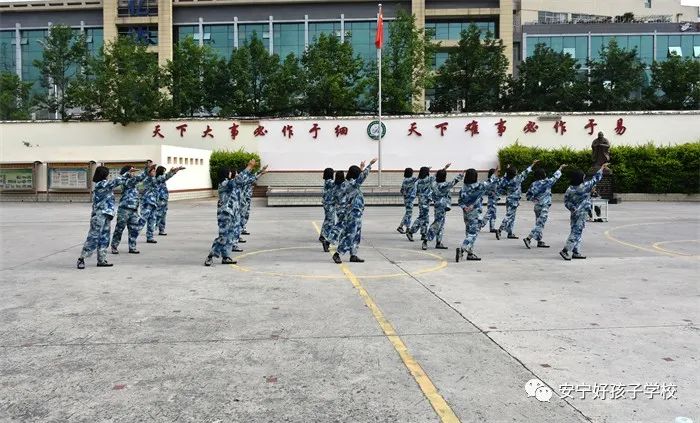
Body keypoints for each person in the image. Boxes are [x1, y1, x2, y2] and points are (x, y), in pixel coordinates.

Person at [77, 165, 136, 269]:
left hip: (107, 215)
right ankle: (81, 259)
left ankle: (102, 260)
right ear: (104, 174)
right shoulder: (101, 184)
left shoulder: (105, 184)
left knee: (104, 238)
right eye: (108, 173)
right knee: (93, 237)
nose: (109, 175)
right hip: (99, 215)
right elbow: (116, 182)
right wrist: (127, 173)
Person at [205, 160, 257, 266]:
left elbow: (246, 181)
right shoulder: (224, 184)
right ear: (225, 173)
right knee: (223, 236)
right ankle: (210, 256)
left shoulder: (230, 183)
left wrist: (258, 172)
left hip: (233, 213)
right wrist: (248, 167)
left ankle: (226, 256)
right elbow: (237, 180)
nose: (231, 173)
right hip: (225, 214)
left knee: (230, 236)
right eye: (229, 171)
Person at [560, 163, 609, 261]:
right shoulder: (585, 186)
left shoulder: (569, 189)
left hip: (574, 213)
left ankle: (576, 252)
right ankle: (565, 250)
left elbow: (566, 202)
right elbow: (596, 178)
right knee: (576, 232)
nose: (584, 177)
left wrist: (573, 208)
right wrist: (602, 168)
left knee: (576, 231)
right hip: (582, 213)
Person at [332, 158, 377, 264]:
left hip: (357, 212)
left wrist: (361, 167)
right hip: (353, 213)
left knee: (356, 234)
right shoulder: (352, 184)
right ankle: (337, 253)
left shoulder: (348, 182)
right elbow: (362, 177)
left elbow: (359, 177)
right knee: (351, 234)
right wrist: (370, 165)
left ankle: (353, 254)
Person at [456, 168, 499, 262]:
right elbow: (490, 181)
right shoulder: (479, 186)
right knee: (473, 234)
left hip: (466, 214)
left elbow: (459, 201)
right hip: (475, 213)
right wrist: (495, 172)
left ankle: (470, 253)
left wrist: (464, 207)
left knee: (468, 232)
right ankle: (462, 248)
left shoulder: (463, 188)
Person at [110, 162, 150, 254]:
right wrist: (146, 171)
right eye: (132, 171)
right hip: (124, 209)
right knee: (119, 229)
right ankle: (114, 246)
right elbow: (138, 178)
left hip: (134, 210)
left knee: (133, 229)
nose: (133, 173)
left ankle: (132, 247)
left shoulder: (134, 183)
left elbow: (138, 179)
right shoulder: (125, 181)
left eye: (133, 171)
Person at [523, 164, 566, 249]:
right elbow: (555, 177)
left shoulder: (533, 184)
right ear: (544, 175)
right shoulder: (547, 182)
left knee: (538, 223)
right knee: (540, 224)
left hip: (537, 206)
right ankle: (528, 238)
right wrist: (560, 168)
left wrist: (534, 200)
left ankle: (539, 241)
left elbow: (528, 195)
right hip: (544, 207)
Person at [139, 165, 184, 243]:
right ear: (149, 172)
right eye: (153, 171)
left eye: (155, 171)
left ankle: (150, 237)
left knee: (152, 220)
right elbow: (148, 179)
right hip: (147, 203)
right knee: (142, 221)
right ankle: (133, 234)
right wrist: (148, 170)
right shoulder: (148, 179)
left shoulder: (156, 179)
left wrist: (173, 171)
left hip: (154, 203)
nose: (154, 172)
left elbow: (165, 177)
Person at [406, 163, 451, 242]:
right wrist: (445, 168)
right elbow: (438, 174)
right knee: (422, 217)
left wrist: (427, 169)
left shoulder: (418, 180)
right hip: (425, 200)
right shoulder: (429, 179)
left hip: (421, 200)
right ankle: (411, 231)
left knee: (425, 217)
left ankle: (423, 233)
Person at [496, 160, 539, 240]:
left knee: (511, 216)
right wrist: (533, 164)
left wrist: (507, 169)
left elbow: (504, 179)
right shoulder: (517, 179)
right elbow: (526, 172)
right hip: (514, 200)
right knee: (509, 216)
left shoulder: (506, 180)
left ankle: (510, 233)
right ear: (515, 173)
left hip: (509, 199)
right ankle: (500, 230)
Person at [425, 169, 462, 250]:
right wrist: (461, 175)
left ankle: (438, 242)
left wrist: (444, 168)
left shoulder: (434, 184)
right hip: (442, 206)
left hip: (437, 205)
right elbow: (454, 182)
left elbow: (432, 178)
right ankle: (426, 239)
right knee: (437, 223)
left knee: (441, 224)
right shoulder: (445, 185)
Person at [154, 165, 182, 236]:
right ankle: (152, 227)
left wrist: (176, 171)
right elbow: (166, 176)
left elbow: (167, 176)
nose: (164, 173)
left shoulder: (161, 179)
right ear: (160, 172)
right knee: (158, 215)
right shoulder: (158, 178)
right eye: (163, 171)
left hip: (164, 200)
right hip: (160, 200)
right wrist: (172, 172)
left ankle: (161, 230)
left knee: (163, 215)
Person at [326, 170, 346, 250]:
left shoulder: (334, 185)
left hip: (338, 207)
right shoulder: (344, 185)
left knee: (341, 225)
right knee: (340, 226)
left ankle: (339, 241)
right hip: (344, 208)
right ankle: (328, 241)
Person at [397, 167, 417, 234]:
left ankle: (402, 226)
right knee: (409, 213)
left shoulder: (405, 180)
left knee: (408, 213)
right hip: (410, 199)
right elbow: (419, 178)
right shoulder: (411, 179)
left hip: (407, 199)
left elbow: (402, 190)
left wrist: (405, 194)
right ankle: (406, 227)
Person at [480, 168, 499, 233]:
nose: (497, 174)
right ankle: (481, 224)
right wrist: (490, 193)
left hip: (494, 199)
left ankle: (492, 227)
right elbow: (486, 190)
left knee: (493, 214)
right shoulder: (491, 181)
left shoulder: (494, 180)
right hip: (492, 199)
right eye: (496, 173)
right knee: (490, 213)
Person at [320, 167, 336, 244]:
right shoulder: (329, 181)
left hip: (329, 203)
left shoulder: (327, 181)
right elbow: (338, 183)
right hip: (329, 203)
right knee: (330, 220)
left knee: (329, 219)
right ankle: (324, 236)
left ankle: (324, 235)